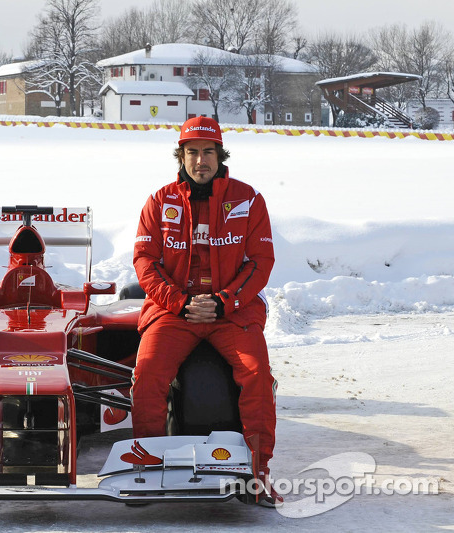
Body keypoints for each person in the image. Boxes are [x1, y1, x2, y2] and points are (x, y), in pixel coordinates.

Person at [131, 116, 281, 506]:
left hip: (232, 312)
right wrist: (178, 302)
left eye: (208, 152)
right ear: (180, 156)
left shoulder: (248, 199)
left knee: (258, 376)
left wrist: (224, 301)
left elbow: (260, 261)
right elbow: (145, 262)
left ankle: (258, 474)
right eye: (192, 152)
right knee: (147, 375)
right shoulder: (159, 201)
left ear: (220, 155)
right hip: (173, 312)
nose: (201, 161)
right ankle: (146, 470)